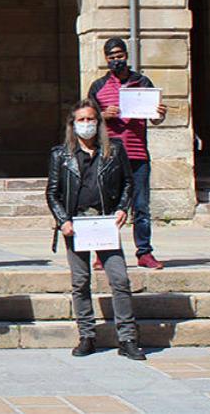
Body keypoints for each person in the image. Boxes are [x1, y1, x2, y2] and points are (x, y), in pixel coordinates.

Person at [46, 99, 146, 361]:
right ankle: (87, 335)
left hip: (104, 223)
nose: (87, 124)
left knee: (119, 279)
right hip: (76, 225)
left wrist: (123, 208)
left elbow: (128, 182)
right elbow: (53, 192)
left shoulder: (114, 149)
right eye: (81, 120)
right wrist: (62, 220)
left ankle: (127, 337)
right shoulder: (61, 155)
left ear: (99, 123)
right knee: (80, 281)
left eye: (91, 119)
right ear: (73, 124)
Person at [88, 37, 167, 269]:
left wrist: (159, 114)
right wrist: (104, 115)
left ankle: (144, 252)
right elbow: (87, 119)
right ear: (106, 60)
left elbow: (156, 117)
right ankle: (104, 253)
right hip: (109, 155)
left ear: (126, 55)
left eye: (119, 56)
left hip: (138, 154)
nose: (116, 61)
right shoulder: (98, 86)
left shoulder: (142, 82)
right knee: (107, 205)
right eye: (111, 57)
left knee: (141, 206)